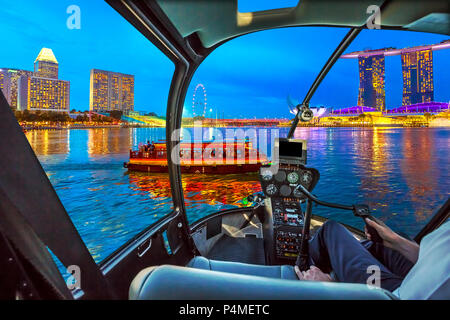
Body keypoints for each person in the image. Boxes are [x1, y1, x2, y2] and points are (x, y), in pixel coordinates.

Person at [294, 218, 450, 299]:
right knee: (384, 245)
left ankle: (304, 271)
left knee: (331, 230)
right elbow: (439, 257)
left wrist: (331, 289)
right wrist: (395, 241)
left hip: (392, 295)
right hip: (420, 277)